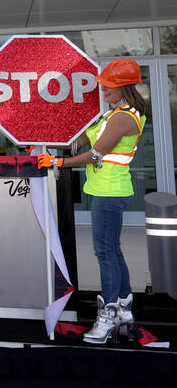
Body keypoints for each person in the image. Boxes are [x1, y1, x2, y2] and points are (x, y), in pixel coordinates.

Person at [37, 58, 146, 344]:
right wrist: (47, 138)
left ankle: (108, 315)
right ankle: (123, 309)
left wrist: (57, 162)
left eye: (109, 86)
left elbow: (94, 154)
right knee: (113, 250)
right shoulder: (115, 113)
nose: (104, 90)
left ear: (124, 86)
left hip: (110, 192)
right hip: (105, 189)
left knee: (105, 252)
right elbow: (83, 141)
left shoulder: (125, 117)